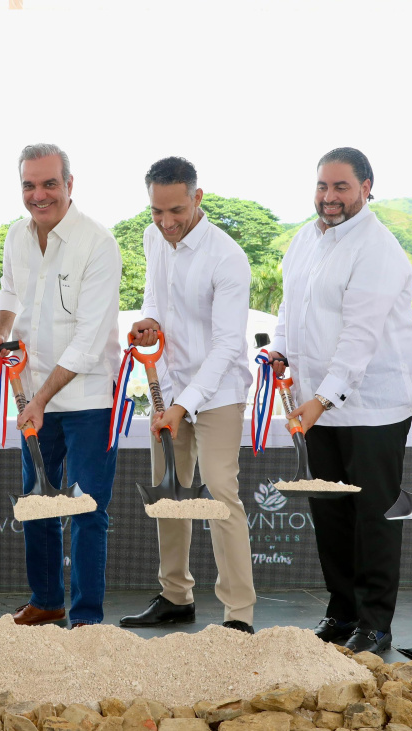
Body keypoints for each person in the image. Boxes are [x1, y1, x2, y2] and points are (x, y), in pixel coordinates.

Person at [270, 147, 412, 654]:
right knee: (331, 514)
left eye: (341, 187)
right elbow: (290, 308)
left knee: (372, 517)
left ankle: (375, 623)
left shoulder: (377, 247)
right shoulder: (305, 239)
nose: (329, 197)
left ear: (367, 187)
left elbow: (360, 337)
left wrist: (319, 400)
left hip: (373, 406)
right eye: (322, 186)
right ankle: (342, 611)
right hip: (317, 405)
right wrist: (278, 351)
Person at [0, 143, 121, 628]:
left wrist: (39, 398)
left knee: (85, 509)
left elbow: (88, 340)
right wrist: (0, 330)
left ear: (69, 184)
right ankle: (46, 601)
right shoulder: (17, 237)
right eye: (29, 185)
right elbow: (8, 290)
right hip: (33, 396)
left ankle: (85, 620)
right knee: (37, 503)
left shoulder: (98, 244)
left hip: (86, 401)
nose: (39, 195)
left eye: (49, 184)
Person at [118, 157, 257, 634]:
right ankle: (175, 596)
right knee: (168, 495)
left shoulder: (228, 258)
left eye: (176, 210)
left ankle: (238, 614)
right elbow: (155, 296)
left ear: (198, 198)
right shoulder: (153, 236)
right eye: (157, 211)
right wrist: (150, 320)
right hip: (168, 386)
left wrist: (183, 406)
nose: (166, 222)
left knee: (220, 491)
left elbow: (226, 347)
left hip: (218, 392)